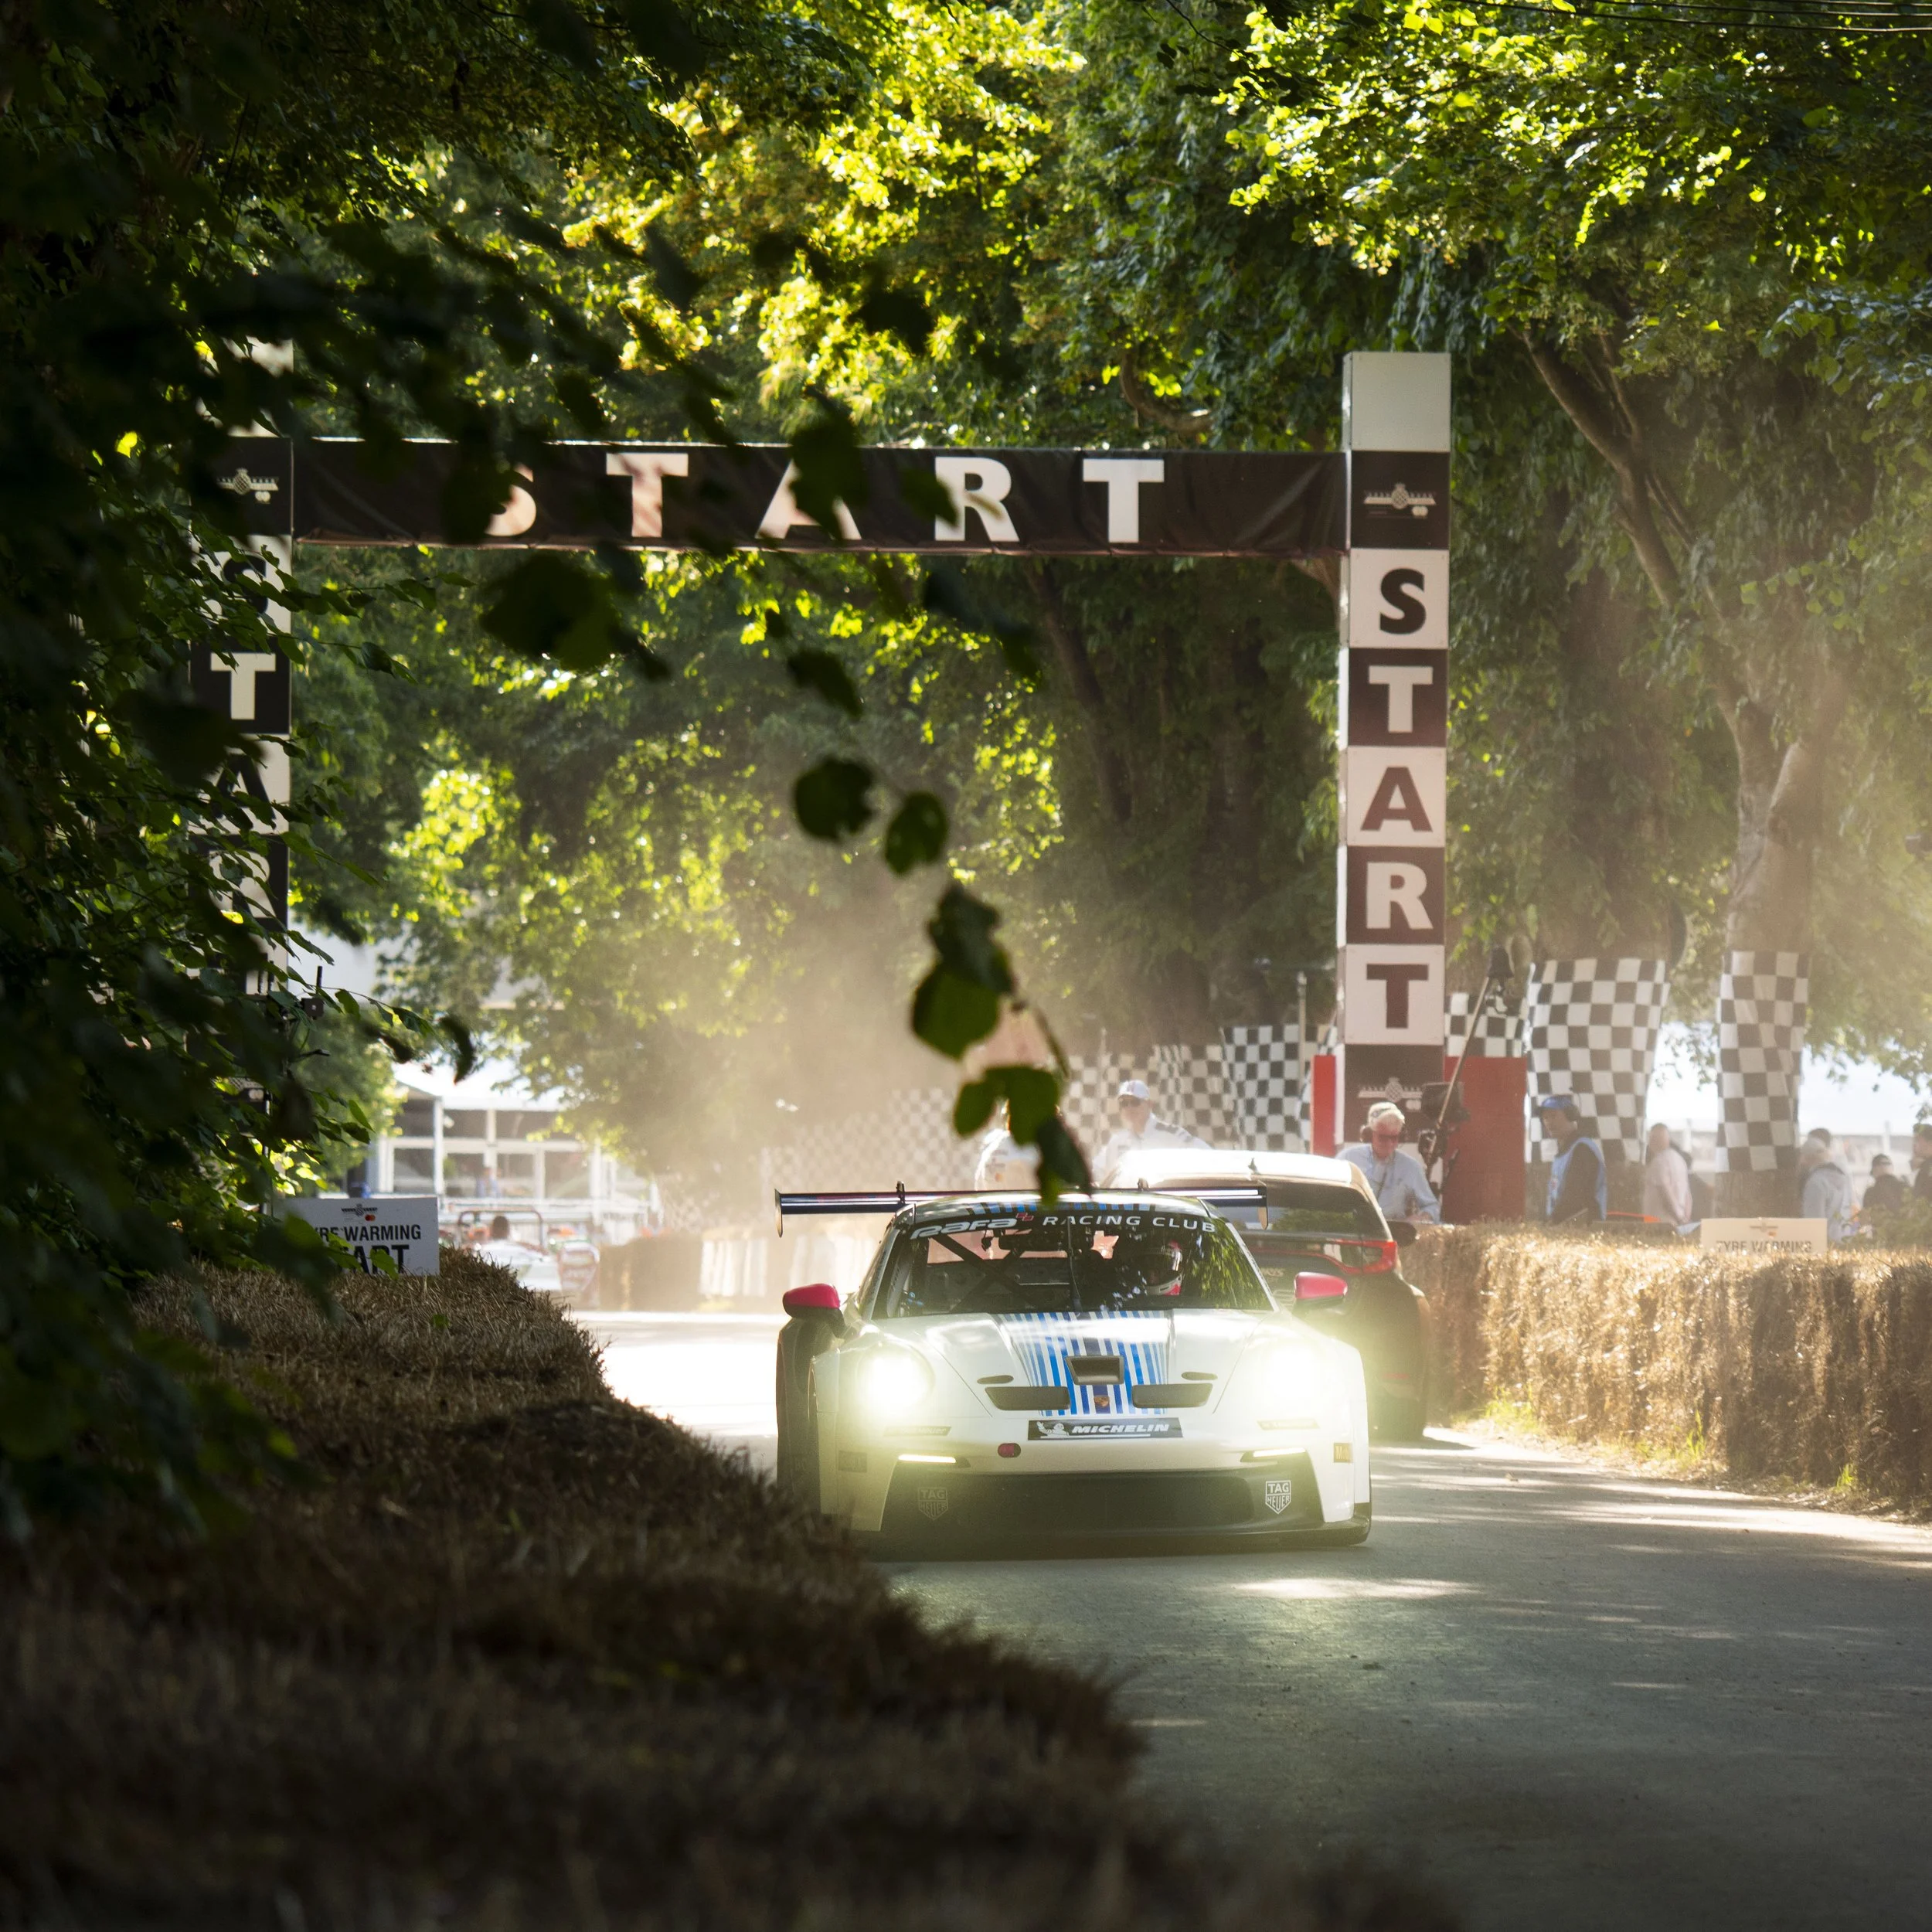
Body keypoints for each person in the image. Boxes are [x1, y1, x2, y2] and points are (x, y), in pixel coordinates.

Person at [1339, 1100, 1440, 1223]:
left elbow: (1432, 1207)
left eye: (1394, 1138)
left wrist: (1419, 1219)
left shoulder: (1411, 1167)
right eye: (1382, 1138)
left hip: (1394, 1232)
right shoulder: (1347, 1159)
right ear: (1369, 1135)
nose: (1389, 1144)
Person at [1096, 1078, 1206, 1170]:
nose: (1129, 1108)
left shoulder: (1173, 1136)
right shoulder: (1117, 1141)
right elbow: (1097, 1171)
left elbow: (1207, 1156)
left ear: (1150, 1104)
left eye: (1135, 1102)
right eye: (1124, 1103)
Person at [1540, 1094, 1605, 1224]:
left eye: (1553, 1116)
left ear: (1570, 1116)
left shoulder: (1582, 1149)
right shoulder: (1565, 1151)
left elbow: (1574, 1196)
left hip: (1586, 1227)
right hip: (1569, 1225)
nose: (1549, 1122)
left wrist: (1552, 1222)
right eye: (1546, 1118)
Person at [1798, 1129, 1854, 1242]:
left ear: (1805, 1159)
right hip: (1846, 1240)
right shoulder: (1843, 1176)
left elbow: (1814, 1222)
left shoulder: (1816, 1182)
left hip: (1827, 1244)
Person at [1642, 1122, 1693, 1226]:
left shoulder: (1658, 1162)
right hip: (1678, 1221)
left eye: (1651, 1138)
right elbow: (1687, 1195)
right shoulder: (1680, 1160)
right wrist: (1685, 1218)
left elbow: (1665, 1193)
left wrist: (1679, 1218)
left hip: (1660, 1222)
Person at [1862, 1154, 1909, 1228]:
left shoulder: (1870, 1192)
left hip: (1881, 1233)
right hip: (1906, 1231)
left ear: (1875, 1170)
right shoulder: (1905, 1186)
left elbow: (1864, 1221)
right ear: (1892, 1168)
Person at [1913, 1122, 1932, 1202]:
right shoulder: (1925, 1167)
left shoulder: (1927, 1169)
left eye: (1917, 1140)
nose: (1914, 1145)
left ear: (1930, 1142)